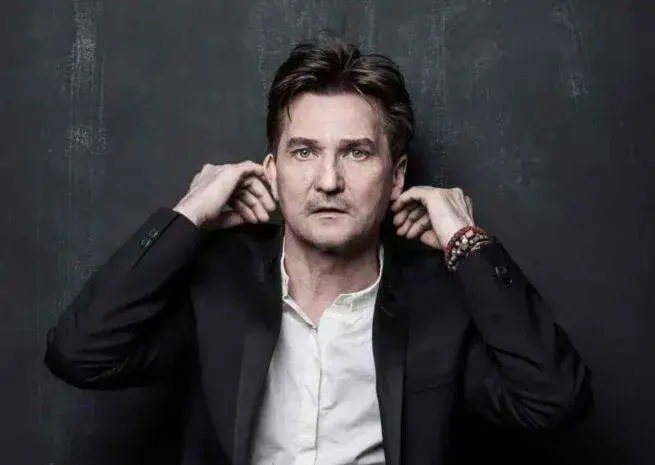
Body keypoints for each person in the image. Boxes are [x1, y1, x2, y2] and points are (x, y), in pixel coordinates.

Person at [45, 38, 590, 465]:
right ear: (272, 171)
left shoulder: (440, 304)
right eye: (304, 152)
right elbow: (80, 353)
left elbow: (554, 399)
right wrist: (187, 215)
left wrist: (467, 243)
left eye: (357, 153)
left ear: (397, 176)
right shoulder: (218, 285)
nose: (328, 180)